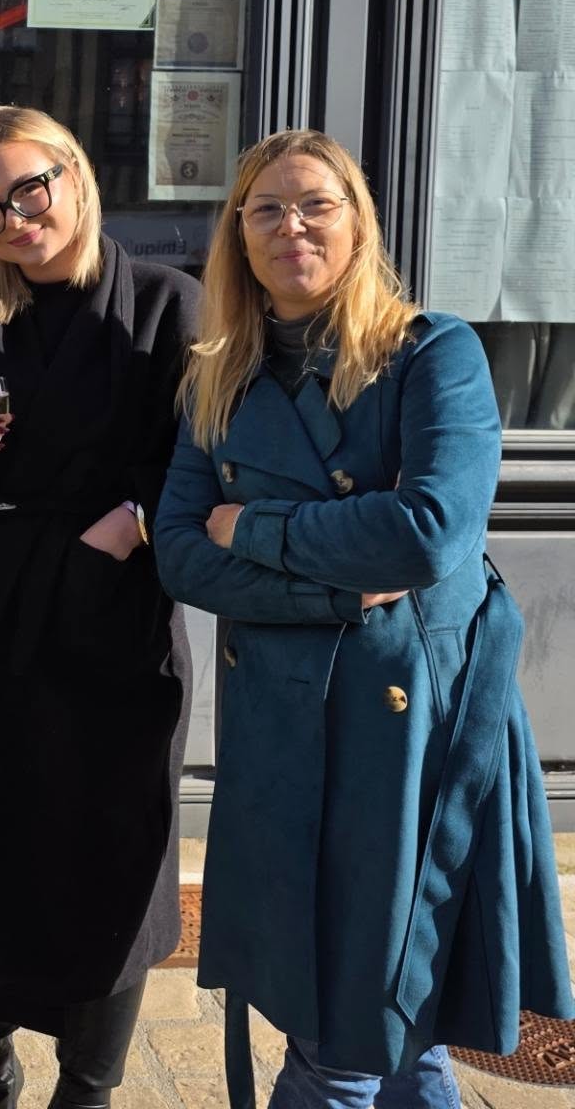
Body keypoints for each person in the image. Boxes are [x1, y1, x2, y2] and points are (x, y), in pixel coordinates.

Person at [154, 129, 575, 1109]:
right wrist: (343, 589)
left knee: (353, 1029)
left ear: (357, 225)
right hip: (281, 729)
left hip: (416, 735)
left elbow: (429, 534)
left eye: (316, 205)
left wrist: (254, 526)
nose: (291, 226)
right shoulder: (217, 376)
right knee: (384, 1030)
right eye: (266, 208)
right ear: (239, 235)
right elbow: (179, 551)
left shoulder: (433, 351)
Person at [0, 105, 202, 1109]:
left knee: (114, 865)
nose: (13, 220)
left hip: (115, 627)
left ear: (74, 175)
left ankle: (88, 1090)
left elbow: (212, 458)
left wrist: (132, 523)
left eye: (28, 190)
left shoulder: (168, 305)